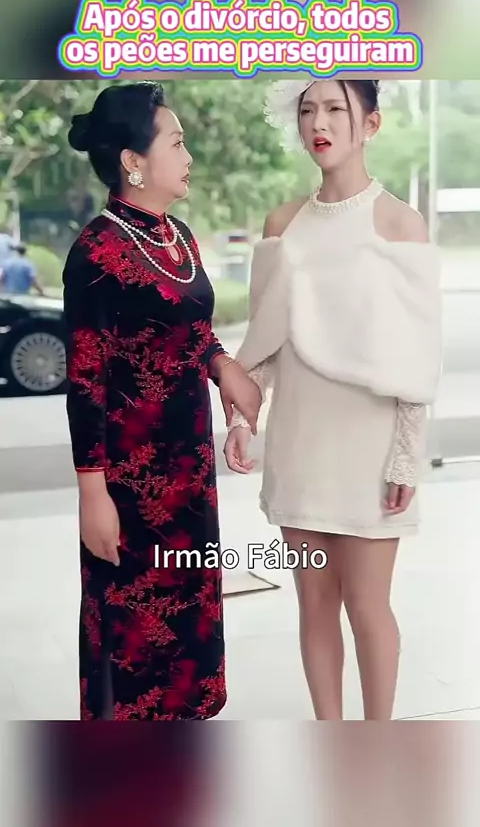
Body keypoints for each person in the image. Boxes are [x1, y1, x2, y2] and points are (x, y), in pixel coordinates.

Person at [224, 79, 442, 721]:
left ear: (369, 124)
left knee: (368, 606)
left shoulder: (400, 223)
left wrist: (406, 455)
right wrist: (242, 418)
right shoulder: (282, 225)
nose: (318, 123)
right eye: (308, 110)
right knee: (314, 604)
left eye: (335, 110)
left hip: (371, 442)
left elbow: (418, 354)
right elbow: (265, 338)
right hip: (301, 440)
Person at [62, 81, 261, 721]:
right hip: (128, 484)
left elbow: (192, 333)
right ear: (134, 161)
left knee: (190, 627)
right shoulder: (97, 251)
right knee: (133, 636)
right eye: (176, 143)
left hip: (188, 476)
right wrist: (92, 493)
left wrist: (223, 368)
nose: (189, 156)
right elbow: (85, 380)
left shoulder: (178, 237)